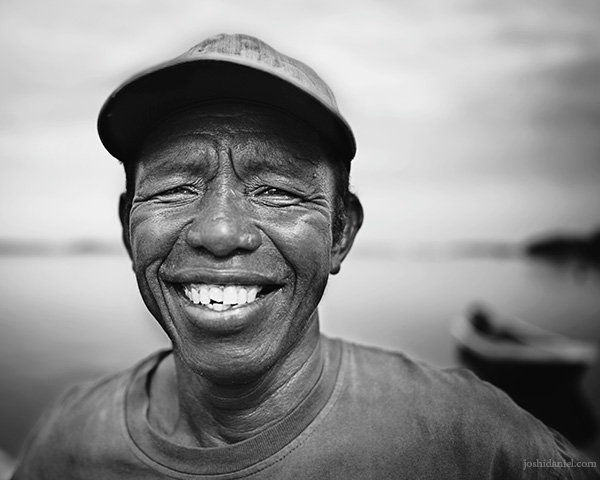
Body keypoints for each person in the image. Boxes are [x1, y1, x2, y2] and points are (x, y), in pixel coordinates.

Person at [10, 33, 599, 479]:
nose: (219, 231)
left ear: (341, 231)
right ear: (125, 226)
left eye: (277, 189)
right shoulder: (71, 438)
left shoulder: (472, 438)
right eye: (174, 187)